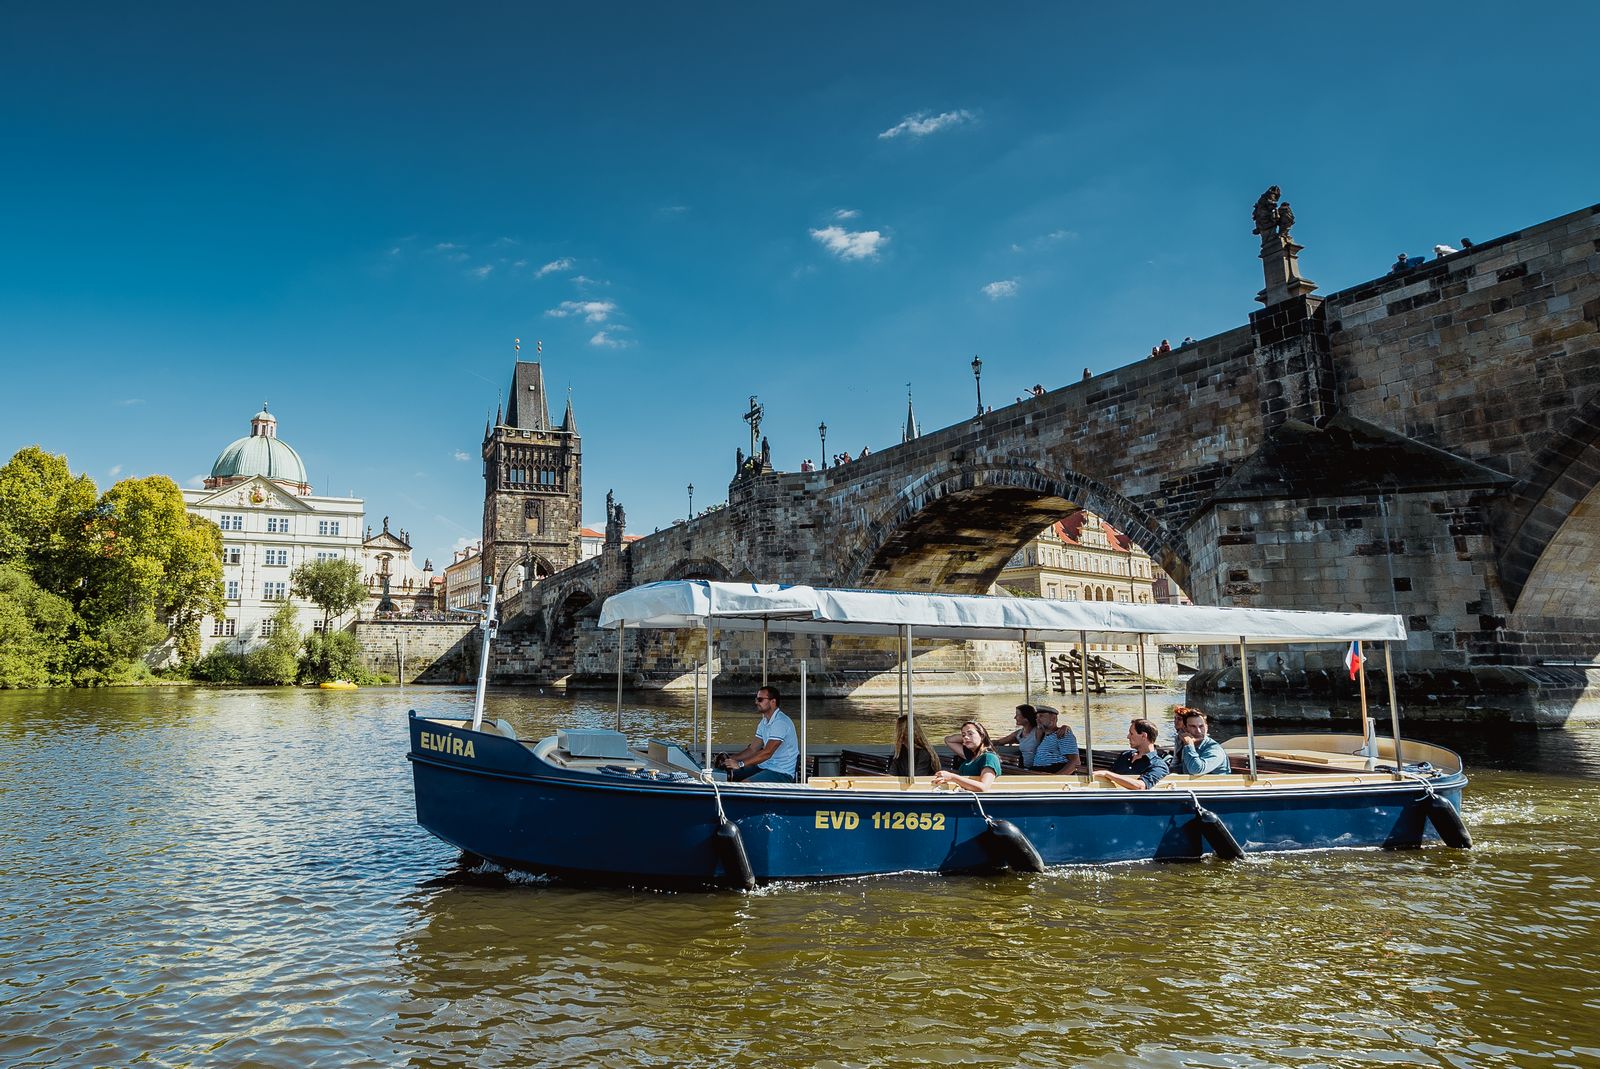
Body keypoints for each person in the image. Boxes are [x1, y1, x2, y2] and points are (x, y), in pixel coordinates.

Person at [717, 685, 799, 783]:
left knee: (745, 785)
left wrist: (740, 764)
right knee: (724, 776)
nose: (756, 702)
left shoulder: (780, 722)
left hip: (781, 772)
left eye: (760, 699)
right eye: (756, 699)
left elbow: (767, 752)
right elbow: (752, 749)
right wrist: (731, 759)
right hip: (764, 766)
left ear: (773, 702)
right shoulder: (764, 722)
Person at [1092, 718, 1169, 790]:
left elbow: (1141, 786)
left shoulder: (1159, 765)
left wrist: (1107, 773)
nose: (1128, 737)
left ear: (1143, 736)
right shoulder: (1125, 755)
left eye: (1131, 734)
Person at [933, 720, 1001, 793]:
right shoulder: (971, 757)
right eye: (963, 735)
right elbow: (948, 740)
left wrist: (952, 777)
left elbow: (983, 787)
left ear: (982, 735)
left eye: (970, 733)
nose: (965, 737)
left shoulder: (989, 757)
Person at [1172, 706, 1229, 776]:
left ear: (1207, 727)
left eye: (1201, 726)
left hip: (1214, 786)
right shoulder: (1189, 747)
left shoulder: (1214, 749)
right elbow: (1184, 769)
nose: (1198, 731)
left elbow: (1196, 770)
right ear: (1185, 728)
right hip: (1192, 785)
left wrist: (1189, 745)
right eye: (1193, 726)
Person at [1029, 705, 1080, 774]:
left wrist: (1056, 779)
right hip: (1037, 772)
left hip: (1052, 771)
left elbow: (1075, 762)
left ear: (1053, 718)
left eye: (1041, 716)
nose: (1037, 720)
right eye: (1036, 717)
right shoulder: (1043, 735)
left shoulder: (1063, 734)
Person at [988, 705, 1042, 769]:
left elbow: (1051, 730)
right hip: (1024, 768)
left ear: (1026, 718)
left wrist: (1057, 731)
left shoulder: (1038, 731)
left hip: (1036, 769)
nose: (1015, 717)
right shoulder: (1019, 733)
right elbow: (999, 742)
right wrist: (982, 743)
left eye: (1017, 715)